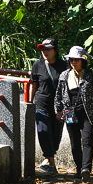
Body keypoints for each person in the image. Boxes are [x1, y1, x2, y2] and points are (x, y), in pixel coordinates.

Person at [54, 45, 93, 182]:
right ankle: (79, 168)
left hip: (88, 113)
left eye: (76, 60)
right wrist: (58, 110)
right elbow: (58, 95)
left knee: (87, 141)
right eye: (71, 60)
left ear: (83, 60)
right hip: (70, 113)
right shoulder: (64, 75)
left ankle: (86, 169)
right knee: (75, 143)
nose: (73, 62)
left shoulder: (91, 75)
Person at [30, 38, 66, 176]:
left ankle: (49, 161)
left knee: (56, 134)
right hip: (41, 103)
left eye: (48, 49)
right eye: (43, 49)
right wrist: (30, 103)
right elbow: (33, 84)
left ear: (55, 50)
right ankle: (51, 162)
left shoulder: (64, 66)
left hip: (58, 105)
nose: (45, 52)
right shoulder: (37, 65)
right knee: (43, 131)